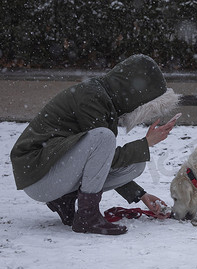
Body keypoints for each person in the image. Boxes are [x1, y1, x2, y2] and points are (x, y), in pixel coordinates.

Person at [10, 54, 180, 235]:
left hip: (51, 174)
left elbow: (100, 163)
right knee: (104, 137)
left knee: (135, 165)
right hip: (37, 176)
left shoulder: (105, 100)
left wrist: (140, 195)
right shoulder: (92, 97)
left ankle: (64, 200)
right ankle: (87, 217)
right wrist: (146, 143)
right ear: (135, 94)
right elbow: (106, 156)